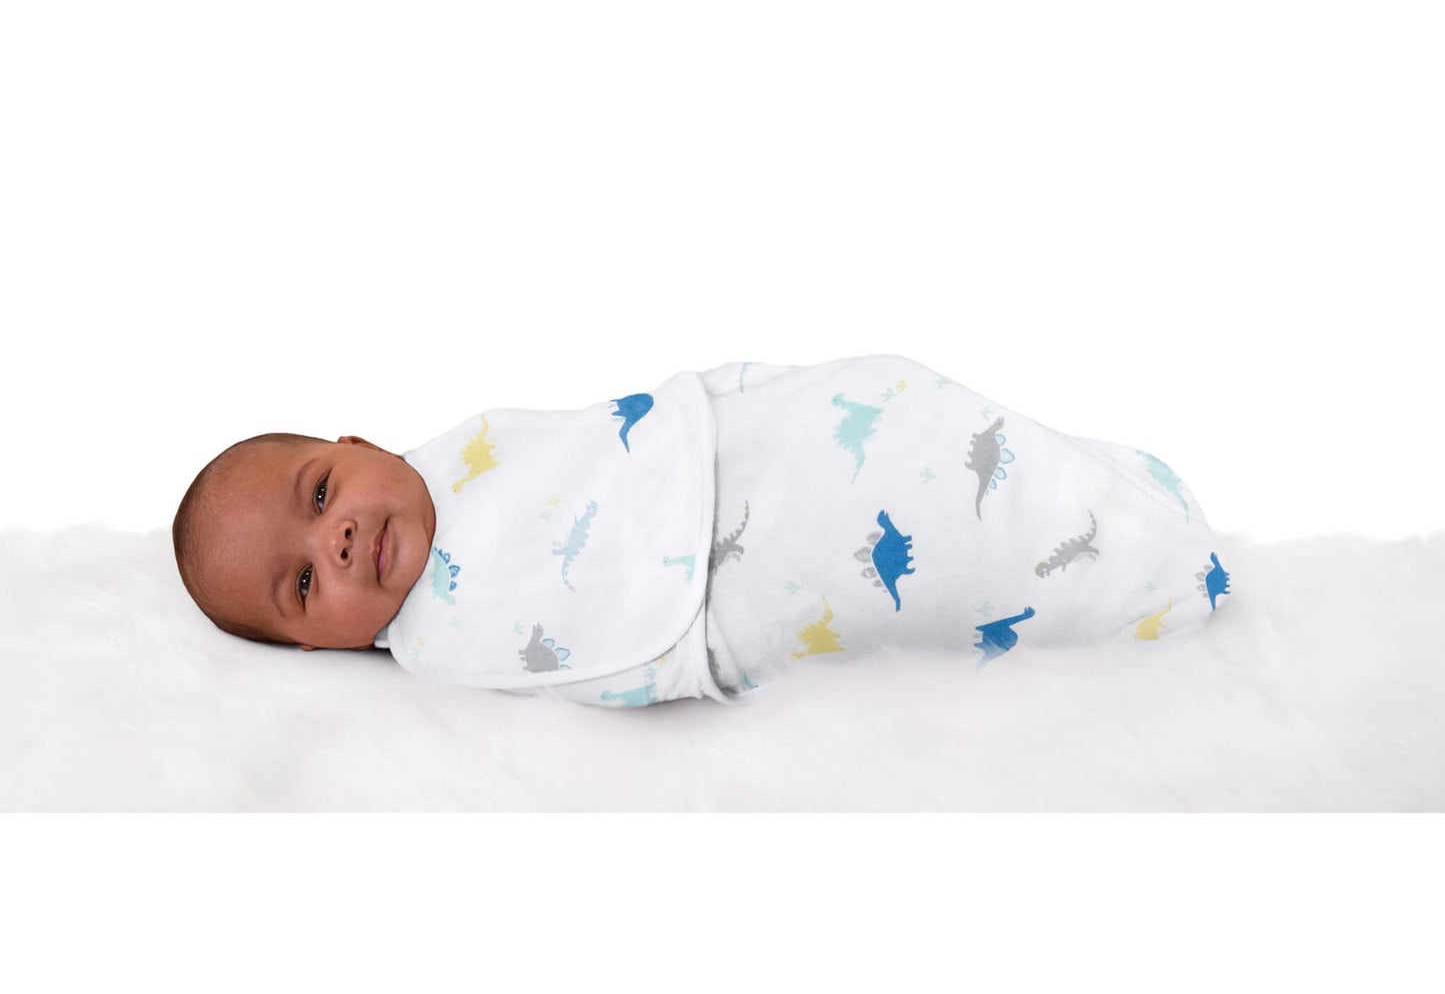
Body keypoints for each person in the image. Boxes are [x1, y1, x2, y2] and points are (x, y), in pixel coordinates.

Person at [173, 355, 1233, 709]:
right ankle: (1136, 571)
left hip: (742, 454)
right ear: (319, 646)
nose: (336, 542)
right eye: (302, 584)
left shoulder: (471, 451)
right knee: (914, 548)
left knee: (896, 401)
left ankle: (1107, 507)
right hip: (731, 591)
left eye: (320, 493)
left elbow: (629, 438)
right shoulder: (449, 643)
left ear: (356, 443)